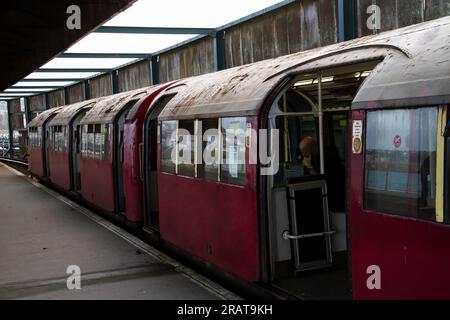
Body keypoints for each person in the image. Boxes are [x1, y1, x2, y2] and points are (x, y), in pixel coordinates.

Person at [298, 136, 346, 212]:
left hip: (335, 196)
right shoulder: (311, 157)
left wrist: (310, 167)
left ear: (313, 147)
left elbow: (322, 181)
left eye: (305, 151)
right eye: (302, 152)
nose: (303, 155)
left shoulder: (328, 157)